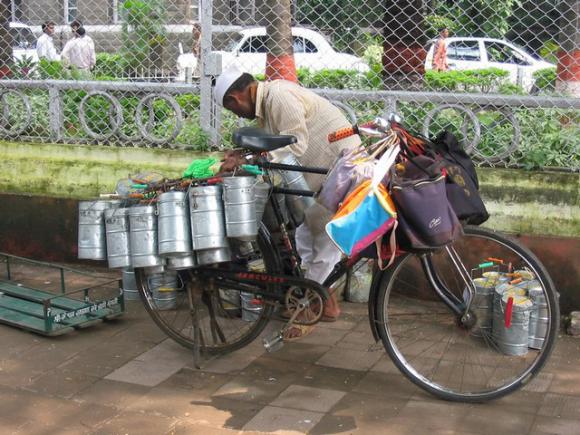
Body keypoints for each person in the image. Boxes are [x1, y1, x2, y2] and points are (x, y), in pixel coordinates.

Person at [214, 67, 361, 340]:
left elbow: (296, 144)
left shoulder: (279, 96)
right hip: (330, 174)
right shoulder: (267, 103)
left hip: (344, 170)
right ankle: (327, 304)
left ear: (235, 99)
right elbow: (273, 141)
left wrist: (246, 161)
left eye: (232, 110)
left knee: (325, 238)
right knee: (306, 236)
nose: (236, 115)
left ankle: (307, 309)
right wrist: (242, 153)